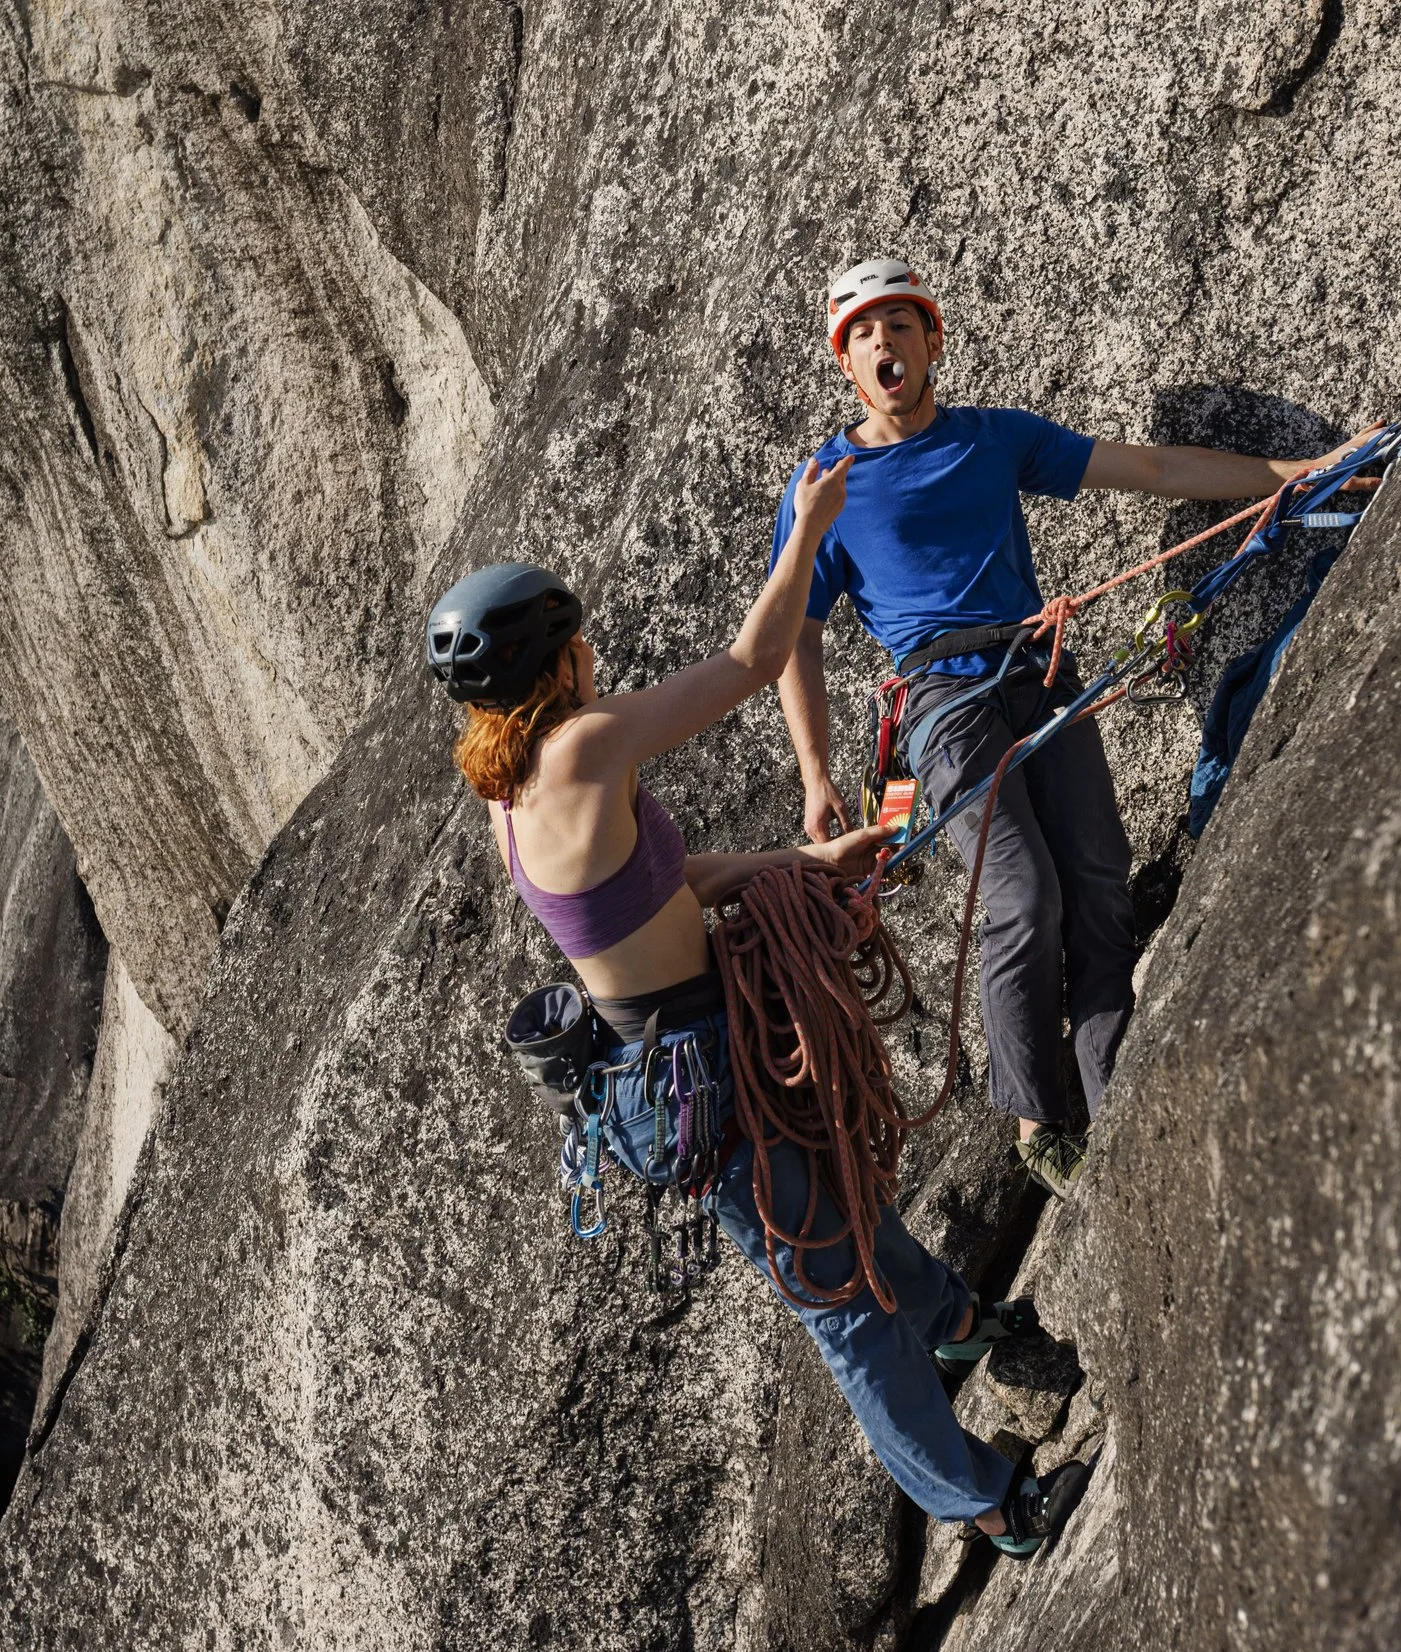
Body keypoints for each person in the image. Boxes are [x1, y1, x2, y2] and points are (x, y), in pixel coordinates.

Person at [424, 487, 1091, 1555]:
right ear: (557, 667)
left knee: (845, 1199)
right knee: (840, 1305)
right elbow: (749, 663)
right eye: (577, 644)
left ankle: (958, 1327)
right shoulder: (583, 747)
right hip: (687, 1073)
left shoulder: (512, 792)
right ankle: (990, 1503)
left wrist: (801, 864)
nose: (592, 655)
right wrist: (813, 521)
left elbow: (659, 880)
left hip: (689, 1045)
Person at [773, 257, 1367, 1198]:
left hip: (1039, 670)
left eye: (900, 325)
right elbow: (793, 643)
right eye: (863, 334)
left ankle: (1111, 1083)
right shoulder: (825, 488)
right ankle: (1039, 1119)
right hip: (942, 701)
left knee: (1097, 878)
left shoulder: (993, 439)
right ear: (845, 361)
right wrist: (816, 773)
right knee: (1020, 893)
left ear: (933, 341)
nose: (884, 344)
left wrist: (1301, 472)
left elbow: (1154, 468)